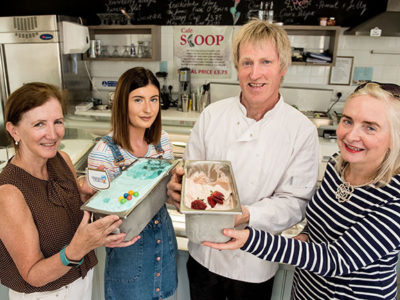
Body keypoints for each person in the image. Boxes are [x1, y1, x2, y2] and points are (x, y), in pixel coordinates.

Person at [167, 19, 319, 299]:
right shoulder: (212, 115)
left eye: (265, 62)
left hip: (255, 261)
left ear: (282, 68)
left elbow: (295, 203)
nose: (255, 73)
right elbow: (192, 176)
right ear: (237, 67)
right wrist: (178, 190)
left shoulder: (301, 130)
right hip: (204, 255)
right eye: (247, 62)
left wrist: (247, 214)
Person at [205, 82, 400, 300]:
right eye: (348, 121)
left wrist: (251, 239)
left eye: (370, 127)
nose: (351, 135)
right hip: (307, 292)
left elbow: (336, 260)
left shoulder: (395, 198)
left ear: (394, 136)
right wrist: (306, 235)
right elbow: (319, 222)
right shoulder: (339, 166)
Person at [0, 82, 138, 300]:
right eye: (39, 124)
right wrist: (78, 249)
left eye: (58, 122)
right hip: (45, 295)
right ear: (13, 130)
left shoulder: (61, 160)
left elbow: (68, 215)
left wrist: (87, 199)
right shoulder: (9, 192)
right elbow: (32, 275)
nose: (53, 134)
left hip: (81, 281)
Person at [88, 67, 178, 300]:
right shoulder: (104, 153)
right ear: (122, 103)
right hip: (129, 254)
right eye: (138, 100)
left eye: (154, 99)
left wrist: (178, 189)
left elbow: (164, 196)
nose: (148, 109)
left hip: (164, 243)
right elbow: (100, 218)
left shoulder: (162, 142)